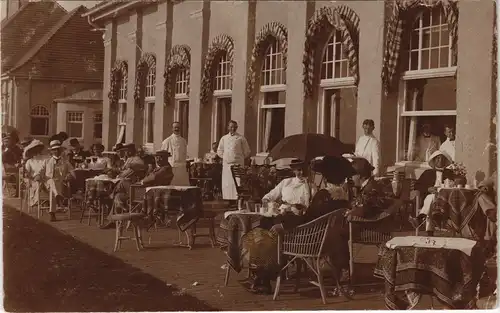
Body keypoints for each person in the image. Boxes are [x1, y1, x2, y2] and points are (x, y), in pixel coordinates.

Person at [237, 156, 355, 294]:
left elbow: (308, 219)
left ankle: (261, 280)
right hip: (325, 240)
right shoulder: (343, 196)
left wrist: (284, 224)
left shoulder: (324, 195)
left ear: (327, 176)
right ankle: (260, 277)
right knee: (269, 227)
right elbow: (315, 218)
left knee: (268, 234)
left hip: (308, 241)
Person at [408, 150, 454, 230]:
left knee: (431, 198)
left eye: (442, 159)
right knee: (431, 197)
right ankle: (428, 228)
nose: (440, 160)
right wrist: (428, 189)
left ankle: (419, 219)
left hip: (445, 198)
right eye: (438, 158)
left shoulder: (450, 173)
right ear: (434, 160)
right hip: (431, 196)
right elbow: (417, 186)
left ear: (445, 161)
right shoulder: (427, 173)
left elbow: (456, 183)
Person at [217, 120, 251, 203]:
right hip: (227, 165)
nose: (233, 128)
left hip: (237, 164)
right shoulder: (224, 138)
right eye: (231, 127)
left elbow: (247, 151)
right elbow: (219, 150)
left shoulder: (240, 138)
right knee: (228, 184)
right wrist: (225, 157)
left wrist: (239, 158)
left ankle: (238, 201)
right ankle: (229, 201)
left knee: (237, 183)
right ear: (228, 127)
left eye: (234, 127)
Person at [44, 140, 73, 222]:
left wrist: (69, 175)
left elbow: (72, 171)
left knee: (53, 192)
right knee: (52, 181)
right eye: (54, 150)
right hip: (48, 184)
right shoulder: (47, 161)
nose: (56, 151)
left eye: (58, 149)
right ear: (51, 151)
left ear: (61, 151)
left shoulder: (65, 162)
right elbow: (42, 173)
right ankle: (58, 196)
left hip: (61, 183)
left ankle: (52, 213)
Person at [23, 140, 47, 208]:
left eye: (38, 151)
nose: (36, 153)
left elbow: (47, 170)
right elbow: (27, 174)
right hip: (32, 179)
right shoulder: (29, 161)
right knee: (37, 182)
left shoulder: (44, 159)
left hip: (44, 179)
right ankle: (35, 200)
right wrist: (32, 177)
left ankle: (35, 200)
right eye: (34, 151)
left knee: (40, 181)